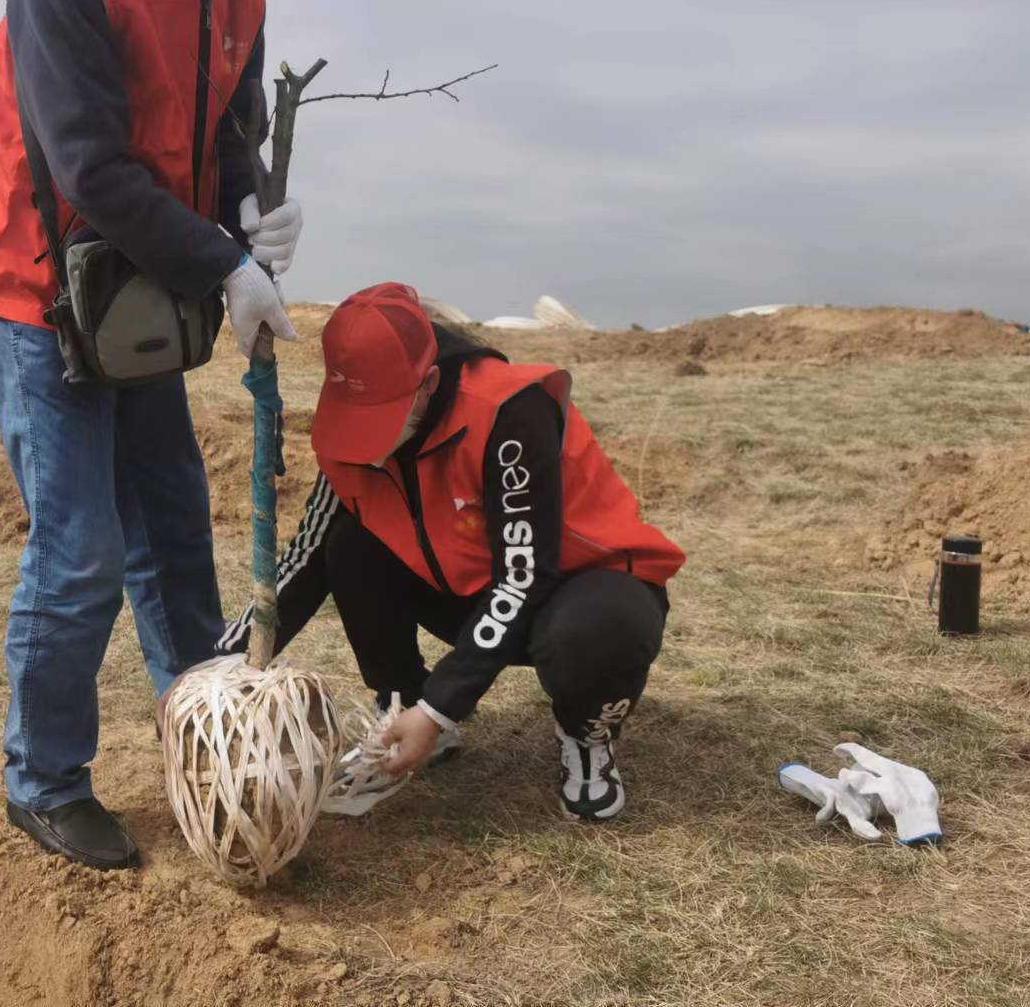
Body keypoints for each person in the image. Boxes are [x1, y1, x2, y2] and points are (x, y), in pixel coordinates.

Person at [0, 0, 301, 871]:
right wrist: (222, 263)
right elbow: (91, 169)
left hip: (144, 283)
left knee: (171, 528)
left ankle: (201, 737)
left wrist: (252, 204)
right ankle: (42, 777)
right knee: (81, 552)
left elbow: (227, 125)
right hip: (39, 284)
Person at [219, 283, 685, 820]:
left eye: (381, 416)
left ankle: (586, 736)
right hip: (466, 592)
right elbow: (306, 558)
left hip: (572, 588)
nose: (366, 443)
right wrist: (221, 666)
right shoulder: (346, 433)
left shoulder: (509, 413)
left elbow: (525, 576)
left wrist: (440, 708)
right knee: (347, 546)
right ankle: (401, 707)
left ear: (429, 383)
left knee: (603, 631)